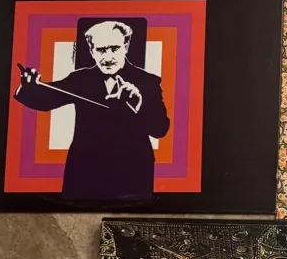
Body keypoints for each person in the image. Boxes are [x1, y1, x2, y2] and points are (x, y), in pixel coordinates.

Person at [14, 20, 170, 201]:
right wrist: (28, 87)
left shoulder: (148, 81)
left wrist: (138, 105)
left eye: (114, 48)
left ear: (126, 46)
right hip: (86, 170)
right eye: (101, 50)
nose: (108, 57)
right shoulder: (80, 78)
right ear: (91, 50)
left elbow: (160, 129)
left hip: (132, 171)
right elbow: (46, 100)